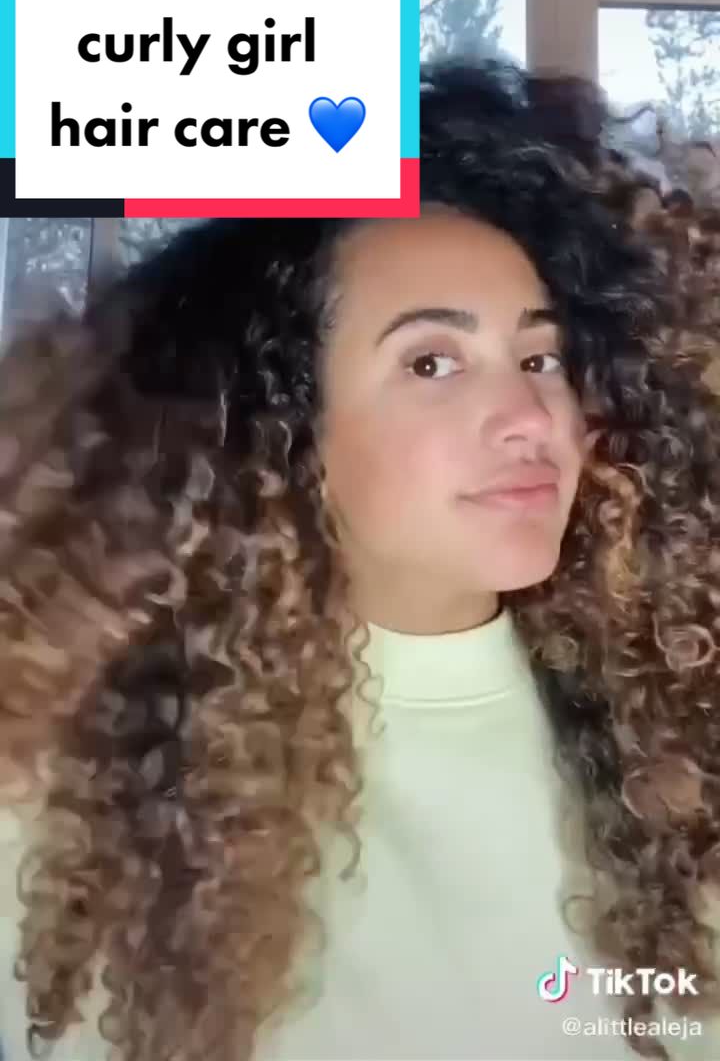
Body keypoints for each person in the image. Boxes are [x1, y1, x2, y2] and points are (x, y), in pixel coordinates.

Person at [1, 63, 720, 1061]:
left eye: (540, 357)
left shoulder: (680, 737)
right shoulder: (77, 796)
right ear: (283, 428)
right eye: (432, 362)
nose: (528, 416)